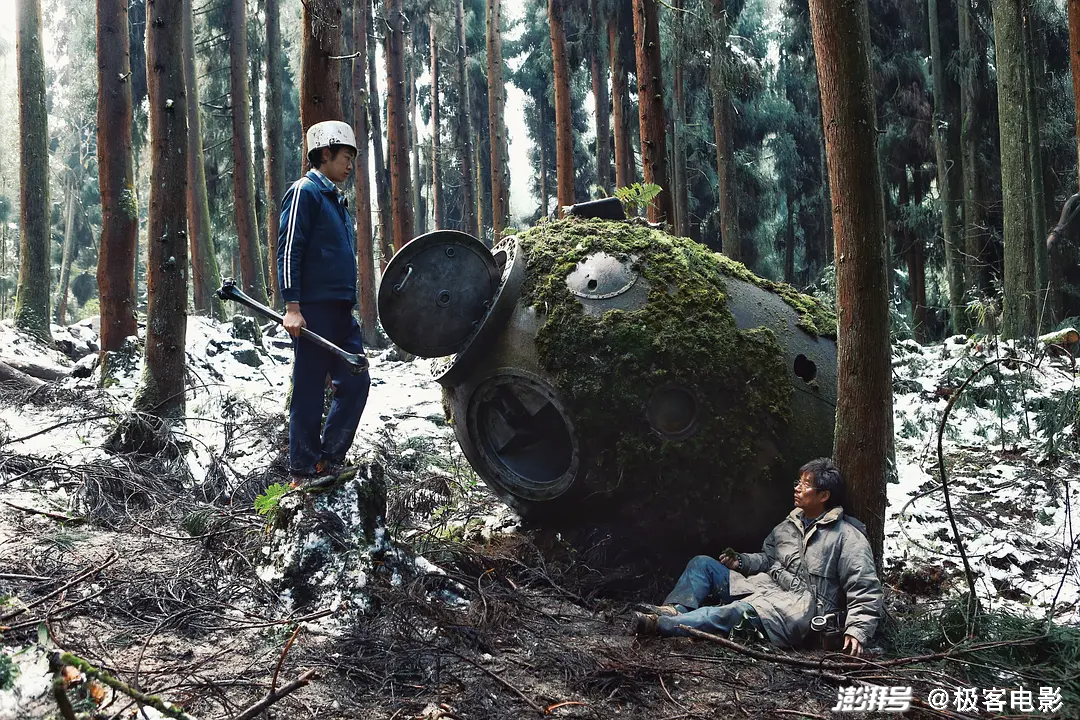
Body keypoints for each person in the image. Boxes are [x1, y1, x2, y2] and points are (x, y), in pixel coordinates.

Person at [631, 458, 882, 657]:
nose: (796, 488)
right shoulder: (788, 525)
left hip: (796, 611)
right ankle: (676, 610)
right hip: (763, 588)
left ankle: (660, 625)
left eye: (804, 485)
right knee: (702, 564)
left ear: (824, 495)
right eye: (798, 482)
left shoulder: (847, 536)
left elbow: (864, 587)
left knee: (730, 613)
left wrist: (857, 630)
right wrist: (740, 562)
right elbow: (766, 559)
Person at [277, 120, 370, 484]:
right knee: (310, 388)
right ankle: (302, 468)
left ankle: (329, 460)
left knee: (357, 382)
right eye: (346, 157)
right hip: (312, 310)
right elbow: (289, 250)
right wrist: (292, 307)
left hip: (340, 311)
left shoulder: (336, 199)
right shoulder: (305, 192)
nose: (350, 165)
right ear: (326, 153)